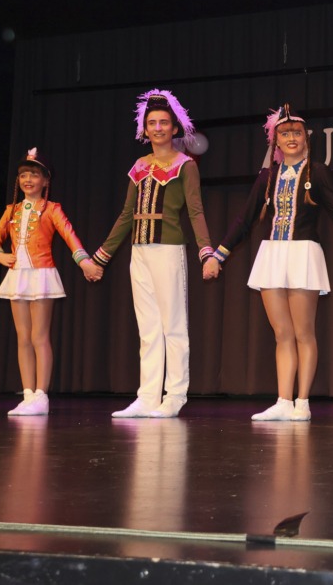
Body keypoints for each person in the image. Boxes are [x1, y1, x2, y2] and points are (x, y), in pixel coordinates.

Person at [203, 105, 333, 421]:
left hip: (303, 255)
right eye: (285, 134)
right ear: (276, 141)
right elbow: (244, 219)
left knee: (303, 332)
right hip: (272, 255)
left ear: (305, 138)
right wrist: (218, 255)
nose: (291, 138)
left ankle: (303, 402)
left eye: (296, 132)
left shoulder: (316, 173)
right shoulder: (268, 177)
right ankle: (283, 400)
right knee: (282, 332)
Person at [93, 89, 214, 419]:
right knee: (148, 328)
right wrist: (101, 256)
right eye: (152, 123)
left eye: (163, 122)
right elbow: (126, 215)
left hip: (168, 249)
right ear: (144, 129)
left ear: (174, 127)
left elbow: (195, 210)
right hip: (139, 251)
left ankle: (175, 395)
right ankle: (147, 396)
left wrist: (206, 252)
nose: (158, 128)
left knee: (173, 325)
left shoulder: (185, 165)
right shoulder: (139, 166)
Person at [0, 148, 103, 416]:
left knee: (39, 336)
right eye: (23, 175)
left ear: (45, 180)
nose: (28, 180)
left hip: (41, 275)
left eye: (34, 175)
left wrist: (84, 261)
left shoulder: (51, 209)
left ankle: (42, 395)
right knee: (22, 337)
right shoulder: (12, 210)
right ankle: (28, 393)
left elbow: (70, 236)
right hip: (17, 276)